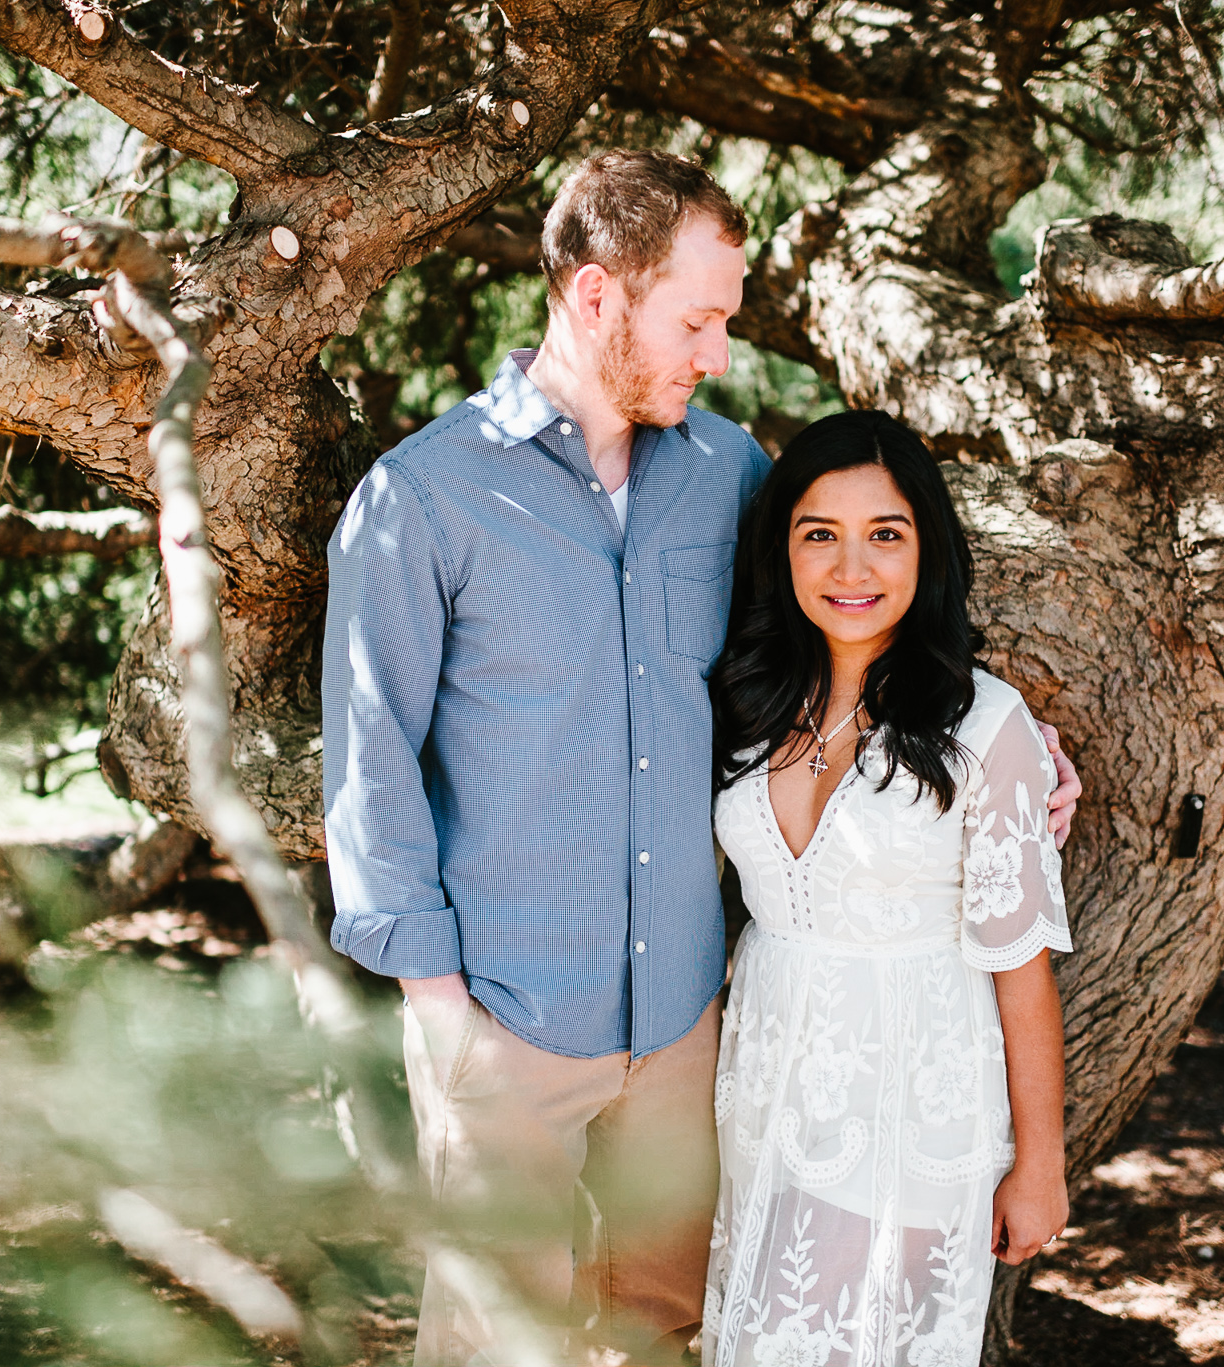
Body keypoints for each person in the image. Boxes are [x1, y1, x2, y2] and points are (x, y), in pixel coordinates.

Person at [322, 150, 1080, 1366]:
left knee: (667, 1326)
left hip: (687, 1014)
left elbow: (838, 619)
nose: (717, 352)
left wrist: (1002, 734)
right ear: (592, 297)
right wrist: (438, 1010)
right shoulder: (421, 500)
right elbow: (369, 771)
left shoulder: (726, 476)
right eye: (698, 319)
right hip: (504, 1014)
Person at [701, 409, 1071, 1367]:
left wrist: (1042, 1164)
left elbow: (1021, 971)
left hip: (912, 1105)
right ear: (781, 550)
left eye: (885, 536)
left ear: (927, 551)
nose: (850, 568)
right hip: (763, 1100)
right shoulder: (747, 704)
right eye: (819, 534)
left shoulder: (986, 726)